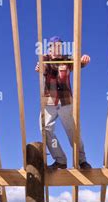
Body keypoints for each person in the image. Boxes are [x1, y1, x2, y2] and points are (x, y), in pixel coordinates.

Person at [35, 36, 92, 170]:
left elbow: (78, 63)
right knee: (45, 128)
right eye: (53, 47)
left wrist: (84, 60)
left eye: (59, 47)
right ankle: (60, 160)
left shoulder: (67, 59)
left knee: (73, 131)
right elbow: (41, 67)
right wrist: (40, 68)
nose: (56, 50)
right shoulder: (45, 59)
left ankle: (82, 160)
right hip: (49, 101)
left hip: (65, 101)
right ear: (49, 49)